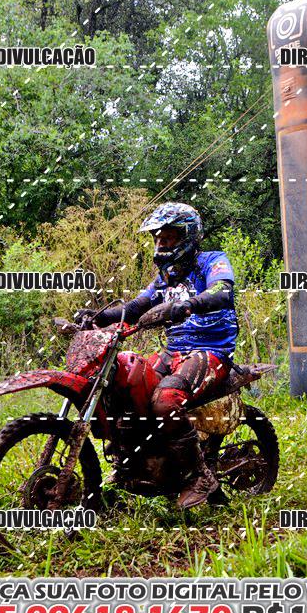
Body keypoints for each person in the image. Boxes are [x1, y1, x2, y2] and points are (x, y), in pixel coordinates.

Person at [89, 202, 238, 509]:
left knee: (165, 401)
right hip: (174, 351)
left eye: (168, 238)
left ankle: (201, 476)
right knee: (129, 387)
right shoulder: (164, 277)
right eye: (158, 238)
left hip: (210, 350)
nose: (161, 244)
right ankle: (132, 464)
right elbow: (134, 307)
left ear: (188, 236)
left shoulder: (211, 261)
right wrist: (97, 317)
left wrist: (187, 305)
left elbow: (222, 291)